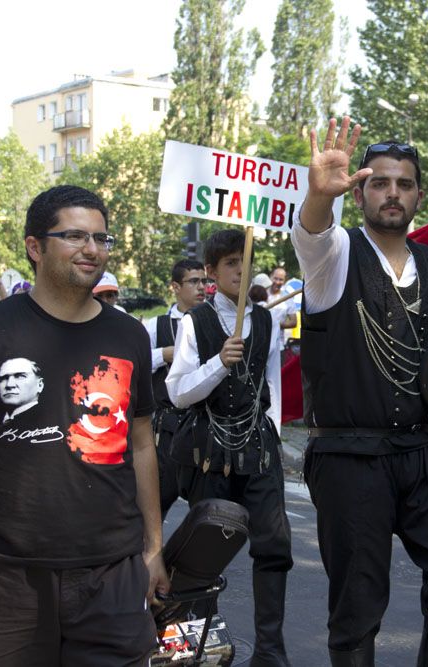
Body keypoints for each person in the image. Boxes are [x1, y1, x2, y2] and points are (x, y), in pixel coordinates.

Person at [0, 184, 168, 665]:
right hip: (3, 579)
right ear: (34, 247)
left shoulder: (128, 334)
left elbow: (141, 445)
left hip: (112, 579)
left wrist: (153, 548)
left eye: (102, 239)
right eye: (76, 236)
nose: (92, 249)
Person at [292, 119, 428, 666]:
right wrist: (319, 196)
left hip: (426, 450)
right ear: (362, 192)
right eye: (379, 182)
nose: (392, 192)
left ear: (418, 195)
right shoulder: (336, 256)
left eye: (404, 183)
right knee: (357, 606)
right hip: (349, 454)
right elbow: (312, 233)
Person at [166, 230, 291, 667]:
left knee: (274, 547)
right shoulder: (193, 322)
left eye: (246, 262)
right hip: (210, 452)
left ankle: (271, 652)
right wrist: (219, 362)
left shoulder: (267, 319)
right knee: (205, 550)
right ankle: (195, 649)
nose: (241, 270)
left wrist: (270, 434)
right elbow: (179, 393)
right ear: (213, 272)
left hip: (258, 450)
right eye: (232, 263)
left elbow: (272, 383)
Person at [145, 259, 207, 518]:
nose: (201, 287)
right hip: (166, 429)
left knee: (207, 514)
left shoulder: (213, 322)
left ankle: (189, 559)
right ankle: (149, 556)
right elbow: (134, 364)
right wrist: (165, 354)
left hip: (203, 428)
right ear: (175, 286)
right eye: (194, 281)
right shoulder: (155, 326)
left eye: (204, 281)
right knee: (155, 507)